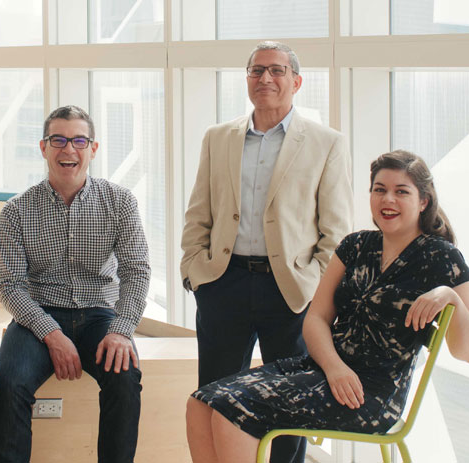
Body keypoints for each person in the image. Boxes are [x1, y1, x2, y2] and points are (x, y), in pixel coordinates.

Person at [186, 150, 469, 463]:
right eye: (379, 189)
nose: (388, 200)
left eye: (401, 192)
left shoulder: (442, 258)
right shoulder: (356, 245)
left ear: (423, 201)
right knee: (201, 403)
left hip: (371, 392)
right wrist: (334, 367)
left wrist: (449, 297)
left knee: (234, 410)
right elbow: (316, 318)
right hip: (323, 369)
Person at [179, 40, 353, 463]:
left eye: (276, 71)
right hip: (224, 282)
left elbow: (336, 231)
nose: (266, 79)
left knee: (290, 403)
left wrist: (313, 287)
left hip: (291, 290)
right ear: (247, 80)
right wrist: (194, 272)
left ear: (296, 82)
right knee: (217, 394)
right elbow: (199, 211)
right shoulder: (218, 138)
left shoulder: (326, 142)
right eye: (257, 71)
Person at [0, 105, 150, 463]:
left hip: (101, 316)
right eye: (58, 140)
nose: (69, 149)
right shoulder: (17, 210)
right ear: (43, 147)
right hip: (39, 317)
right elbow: (10, 284)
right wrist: (52, 334)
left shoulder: (120, 201)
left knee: (125, 378)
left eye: (79, 140)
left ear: (93, 149)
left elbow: (136, 271)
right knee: (10, 383)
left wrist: (123, 330)